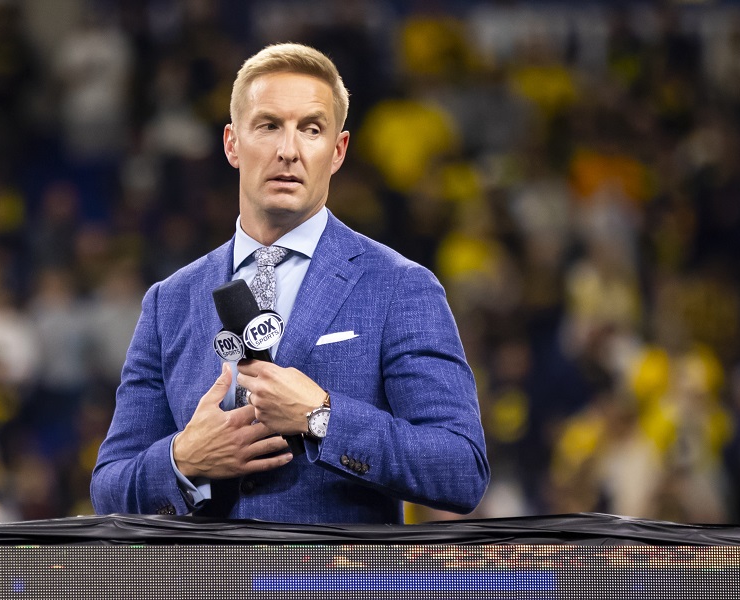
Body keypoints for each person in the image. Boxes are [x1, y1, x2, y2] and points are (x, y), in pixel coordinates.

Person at [90, 43, 489, 524]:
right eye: (268, 125)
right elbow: (109, 490)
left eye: (311, 129)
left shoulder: (400, 287)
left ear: (337, 151)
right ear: (232, 143)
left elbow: (461, 469)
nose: (288, 150)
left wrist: (322, 416)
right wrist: (183, 459)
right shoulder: (169, 301)